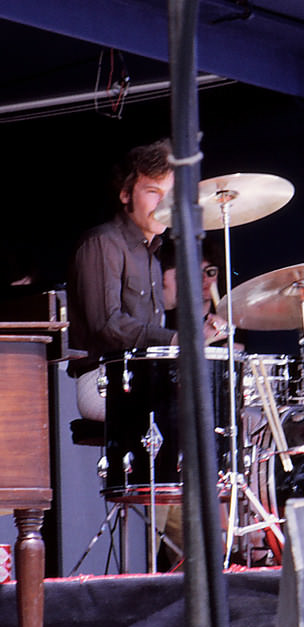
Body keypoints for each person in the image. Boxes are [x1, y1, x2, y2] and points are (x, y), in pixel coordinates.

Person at [67, 139, 226, 420]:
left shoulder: (152, 253)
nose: (163, 203)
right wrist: (178, 338)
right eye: (153, 192)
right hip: (103, 380)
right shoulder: (103, 243)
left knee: (221, 397)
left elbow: (150, 331)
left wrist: (200, 333)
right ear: (126, 194)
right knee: (191, 410)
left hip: (143, 375)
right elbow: (108, 325)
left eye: (171, 195)